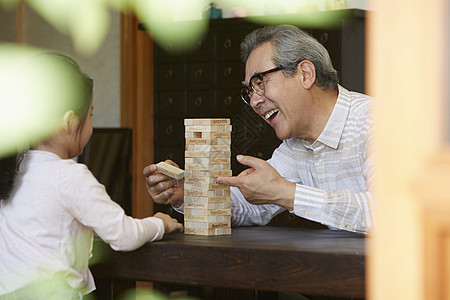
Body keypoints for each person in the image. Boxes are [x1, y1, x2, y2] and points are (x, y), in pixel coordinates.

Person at [144, 24, 374, 234]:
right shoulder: (295, 145)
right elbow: (253, 206)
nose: (254, 102)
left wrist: (286, 193)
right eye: (250, 90)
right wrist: (190, 194)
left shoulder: (376, 121)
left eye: (260, 82)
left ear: (305, 74)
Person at [0, 53, 183, 298]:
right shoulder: (68, 175)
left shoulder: (12, 170)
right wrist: (160, 223)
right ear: (69, 122)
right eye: (90, 116)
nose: (91, 126)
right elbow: (123, 236)